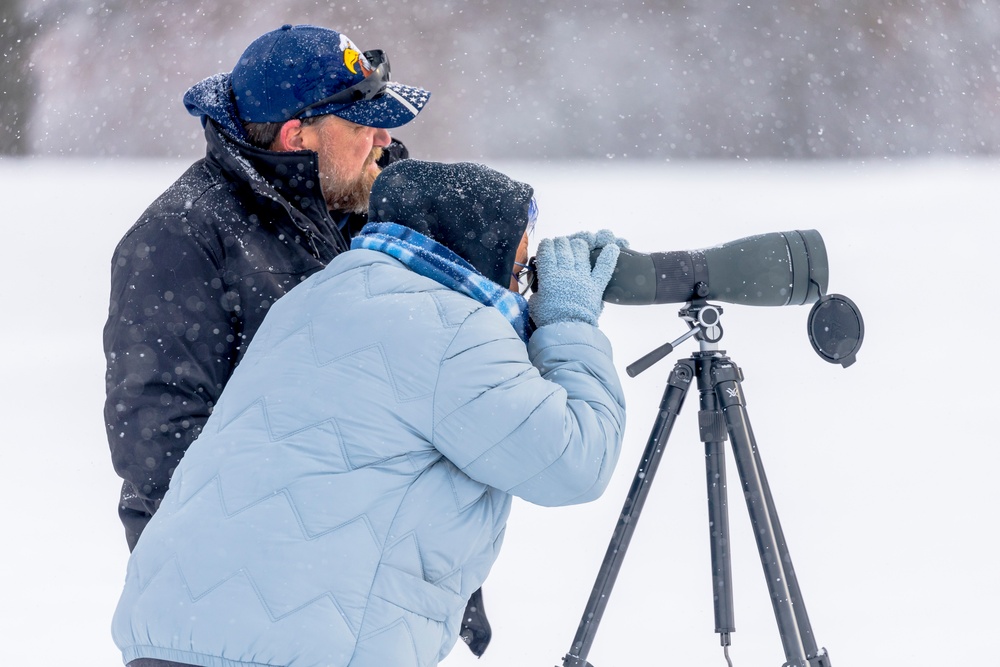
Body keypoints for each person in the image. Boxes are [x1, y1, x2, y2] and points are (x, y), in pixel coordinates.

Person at [111, 159, 627, 667]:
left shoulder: (311, 298)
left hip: (169, 634)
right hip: (307, 651)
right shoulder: (454, 330)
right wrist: (569, 323)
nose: (521, 287)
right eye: (518, 268)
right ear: (480, 253)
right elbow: (576, 462)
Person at [103, 24, 430, 552]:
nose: (384, 139)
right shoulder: (182, 237)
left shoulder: (368, 208)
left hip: (363, 571)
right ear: (297, 138)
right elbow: (160, 440)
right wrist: (286, 561)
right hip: (243, 581)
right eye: (363, 124)